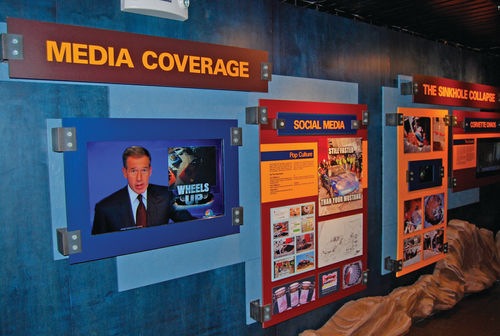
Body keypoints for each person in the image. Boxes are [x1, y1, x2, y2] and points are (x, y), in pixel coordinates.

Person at [92, 146, 194, 234]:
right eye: (133, 171)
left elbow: (192, 225)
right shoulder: (105, 208)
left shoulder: (166, 196)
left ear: (150, 171)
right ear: (125, 172)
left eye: (144, 170)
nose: (139, 178)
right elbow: (97, 249)